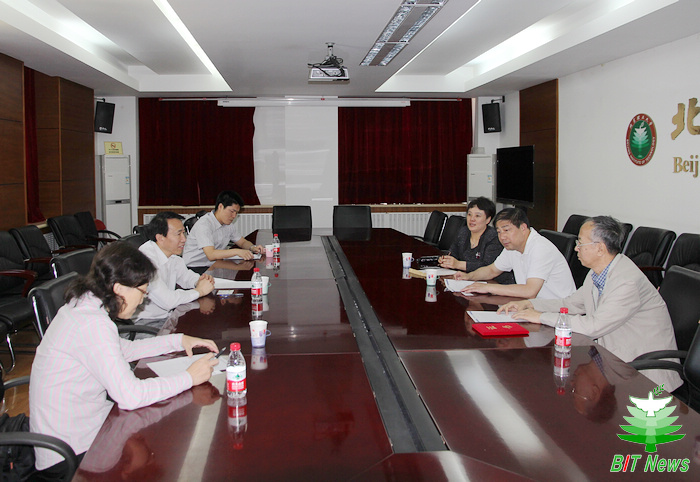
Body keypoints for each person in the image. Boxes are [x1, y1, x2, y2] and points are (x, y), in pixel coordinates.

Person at [29, 242, 220, 476]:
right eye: (142, 293)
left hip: (90, 427)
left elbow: (123, 349)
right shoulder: (92, 323)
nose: (142, 301)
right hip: (72, 452)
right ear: (119, 288)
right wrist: (189, 377)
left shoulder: (85, 306)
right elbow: (130, 396)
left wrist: (179, 340)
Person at [498, 215, 682, 391]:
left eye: (580, 243)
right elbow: (572, 304)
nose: (576, 248)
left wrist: (540, 317)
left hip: (645, 376)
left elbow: (594, 326)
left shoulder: (626, 282)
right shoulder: (597, 272)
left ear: (600, 248)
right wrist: (530, 305)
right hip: (613, 360)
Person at [456, 207, 576, 299]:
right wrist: (469, 276)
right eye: (499, 232)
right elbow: (492, 270)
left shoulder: (540, 248)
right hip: (532, 306)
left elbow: (530, 291)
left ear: (523, 228)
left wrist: (488, 287)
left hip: (559, 313)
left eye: (506, 230)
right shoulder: (512, 247)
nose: (502, 237)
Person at [134, 211, 215, 322]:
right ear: (160, 238)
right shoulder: (146, 260)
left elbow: (186, 277)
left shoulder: (172, 256)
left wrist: (200, 281)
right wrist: (199, 291)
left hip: (168, 315)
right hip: (148, 322)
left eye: (184, 233)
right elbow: (168, 301)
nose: (184, 239)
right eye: (178, 234)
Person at [438, 197, 514, 285]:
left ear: (488, 219)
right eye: (469, 214)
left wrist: (458, 264)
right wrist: (446, 261)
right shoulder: (463, 232)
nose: (472, 219)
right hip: (467, 280)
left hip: (496, 284)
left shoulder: (494, 237)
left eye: (477, 216)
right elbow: (453, 253)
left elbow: (488, 267)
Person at [182, 190, 263, 270]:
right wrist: (237, 251)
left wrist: (253, 247)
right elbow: (211, 254)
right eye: (232, 211)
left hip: (214, 264)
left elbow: (242, 242)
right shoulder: (204, 225)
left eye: (236, 213)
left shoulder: (228, 225)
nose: (234, 216)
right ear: (220, 206)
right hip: (195, 267)